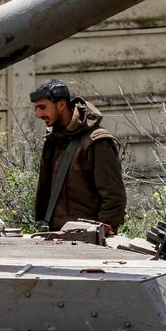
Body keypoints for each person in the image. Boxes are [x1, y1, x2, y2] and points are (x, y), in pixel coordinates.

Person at [30, 79, 126, 231]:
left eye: (42, 107)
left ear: (61, 105)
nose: (38, 114)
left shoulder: (96, 141)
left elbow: (114, 198)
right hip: (57, 236)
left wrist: (99, 236)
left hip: (86, 241)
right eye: (36, 108)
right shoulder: (55, 140)